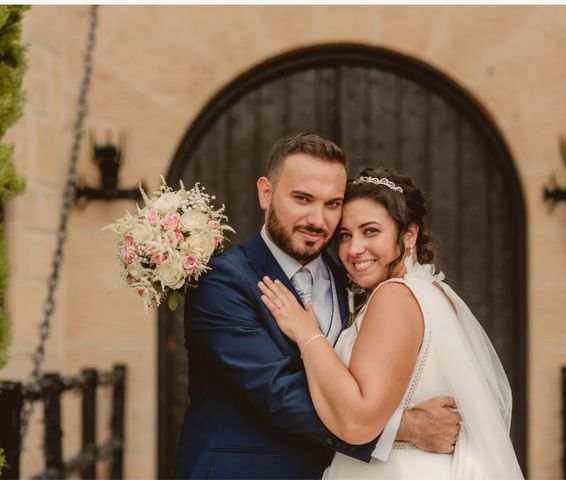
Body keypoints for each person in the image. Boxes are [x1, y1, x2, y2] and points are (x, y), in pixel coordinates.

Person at [173, 134, 461, 479]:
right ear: (266, 193)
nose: (318, 219)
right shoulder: (222, 282)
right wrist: (409, 426)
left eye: (332, 204)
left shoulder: (353, 279)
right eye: (302, 199)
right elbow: (277, 393)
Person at [258, 167, 525, 479]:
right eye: (345, 235)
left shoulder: (394, 297)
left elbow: (357, 421)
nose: (354, 249)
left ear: (408, 234)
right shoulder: (431, 290)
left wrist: (307, 335)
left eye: (370, 231)